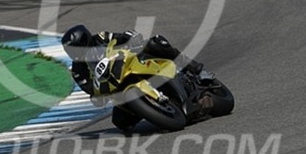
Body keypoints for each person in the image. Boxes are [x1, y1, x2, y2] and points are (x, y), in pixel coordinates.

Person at [60, 24, 204, 99]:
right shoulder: (77, 70)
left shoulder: (101, 38)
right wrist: (96, 96)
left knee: (155, 42)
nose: (73, 53)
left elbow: (121, 37)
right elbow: (89, 89)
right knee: (120, 122)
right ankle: (153, 108)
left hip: (127, 61)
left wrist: (131, 37)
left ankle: (188, 64)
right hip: (114, 87)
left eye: (74, 49)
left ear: (84, 40)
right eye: (70, 51)